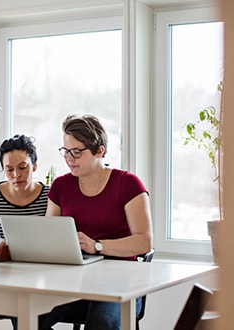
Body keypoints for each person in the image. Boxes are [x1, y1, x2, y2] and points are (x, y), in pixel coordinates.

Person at [39, 114, 153, 330]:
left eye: (77, 152)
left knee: (102, 322)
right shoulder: (61, 186)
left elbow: (144, 242)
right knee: (25, 313)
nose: (69, 158)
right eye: (65, 151)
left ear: (99, 150)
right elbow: (49, 236)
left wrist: (97, 245)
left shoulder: (128, 184)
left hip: (121, 285)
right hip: (73, 283)